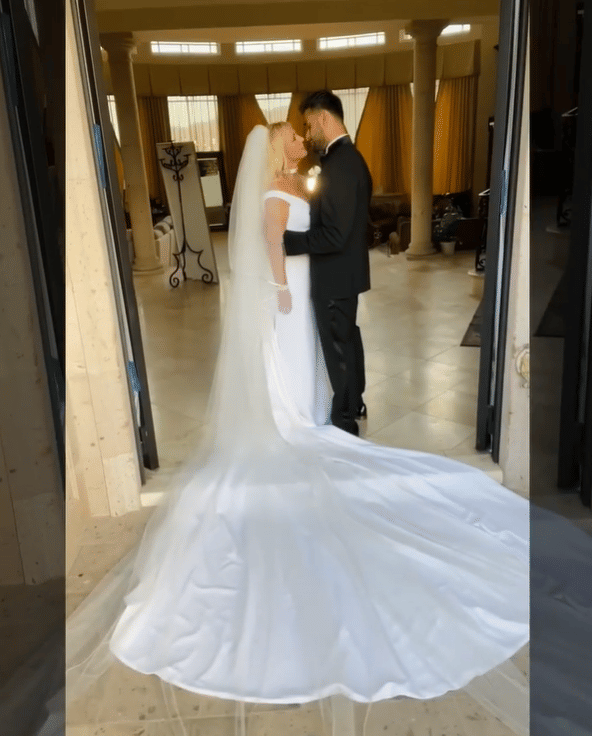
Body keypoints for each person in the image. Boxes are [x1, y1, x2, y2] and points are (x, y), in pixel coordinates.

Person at [66, 123, 530, 736]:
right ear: (274, 146)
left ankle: (304, 415)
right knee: (290, 367)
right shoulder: (272, 192)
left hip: (304, 290)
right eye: (289, 134)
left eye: (295, 132)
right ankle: (290, 421)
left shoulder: (296, 181)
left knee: (309, 366)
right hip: (285, 295)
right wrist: (282, 289)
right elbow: (270, 244)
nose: (295, 139)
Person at [282, 90, 371, 436]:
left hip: (335, 276)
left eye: (308, 125)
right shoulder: (346, 159)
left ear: (323, 118)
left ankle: (344, 422)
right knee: (348, 340)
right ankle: (355, 403)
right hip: (344, 274)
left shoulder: (341, 165)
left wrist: (289, 242)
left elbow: (334, 235)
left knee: (339, 351)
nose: (307, 134)